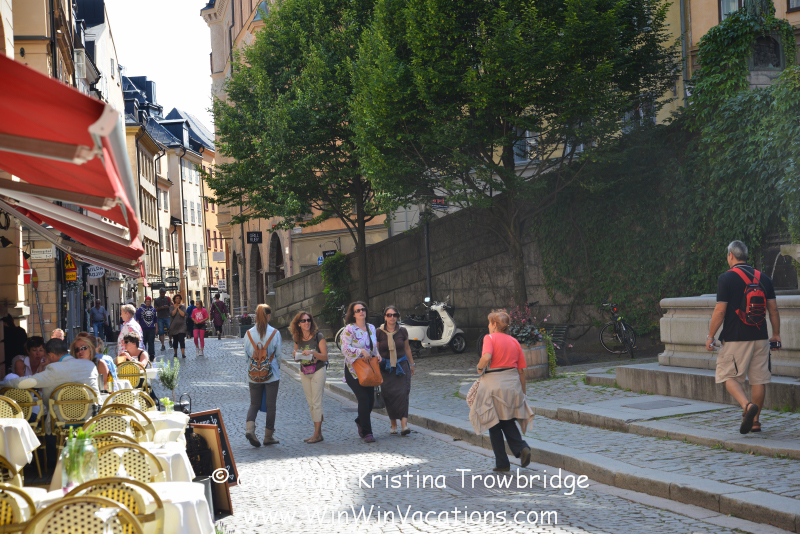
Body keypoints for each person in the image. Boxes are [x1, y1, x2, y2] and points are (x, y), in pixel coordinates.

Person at [706, 240, 781, 434]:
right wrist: (776, 334)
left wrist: (710, 335)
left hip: (735, 337)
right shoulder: (764, 278)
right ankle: (755, 422)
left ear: (730, 255)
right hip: (761, 336)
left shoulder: (726, 278)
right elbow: (773, 310)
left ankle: (747, 406)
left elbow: (720, 311)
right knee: (758, 379)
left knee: (727, 375)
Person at [470, 310, 534, 472]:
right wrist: (523, 393)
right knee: (507, 419)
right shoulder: (514, 341)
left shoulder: (489, 338)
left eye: (489, 323)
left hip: (494, 386)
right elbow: (521, 371)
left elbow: (486, 356)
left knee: (493, 422)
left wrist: (479, 368)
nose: (488, 326)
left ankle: (502, 463)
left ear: (494, 324)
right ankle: (521, 448)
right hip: (512, 385)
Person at [1, 338, 100, 421]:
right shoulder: (90, 365)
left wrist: (3, 383)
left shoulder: (54, 368)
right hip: (91, 418)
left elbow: (26, 382)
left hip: (61, 420)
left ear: (51, 355)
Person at [341, 301, 382, 443]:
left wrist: (378, 355)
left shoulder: (371, 328)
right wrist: (360, 351)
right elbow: (345, 349)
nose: (361, 312)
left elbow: (373, 347)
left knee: (370, 401)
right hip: (353, 370)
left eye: (363, 309)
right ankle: (367, 432)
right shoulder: (349, 329)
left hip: (368, 369)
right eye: (357, 310)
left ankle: (360, 420)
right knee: (363, 399)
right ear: (353, 314)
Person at [244, 304, 282, 447]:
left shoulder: (248, 333)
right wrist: (276, 367)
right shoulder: (275, 333)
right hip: (271, 374)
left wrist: (254, 366)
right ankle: (268, 436)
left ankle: (250, 429)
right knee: (271, 405)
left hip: (253, 374)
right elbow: (278, 355)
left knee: (254, 403)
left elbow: (246, 356)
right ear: (268, 316)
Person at [376, 306, 415, 436]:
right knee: (389, 395)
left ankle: (404, 425)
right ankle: (393, 424)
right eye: (389, 315)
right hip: (385, 368)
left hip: (401, 366)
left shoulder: (402, 331)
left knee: (403, 394)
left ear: (397, 317)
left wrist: (412, 364)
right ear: (385, 317)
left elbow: (407, 349)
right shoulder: (378, 332)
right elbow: (376, 351)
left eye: (394, 315)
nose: (392, 317)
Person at [290, 311, 328, 443]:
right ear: (298, 324)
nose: (307, 323)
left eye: (308, 320)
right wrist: (295, 355)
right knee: (311, 403)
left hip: (318, 369)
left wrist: (313, 352)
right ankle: (319, 433)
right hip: (305, 371)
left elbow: (325, 356)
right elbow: (297, 358)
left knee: (316, 402)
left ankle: (316, 434)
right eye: (304, 321)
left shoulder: (318, 336)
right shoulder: (297, 338)